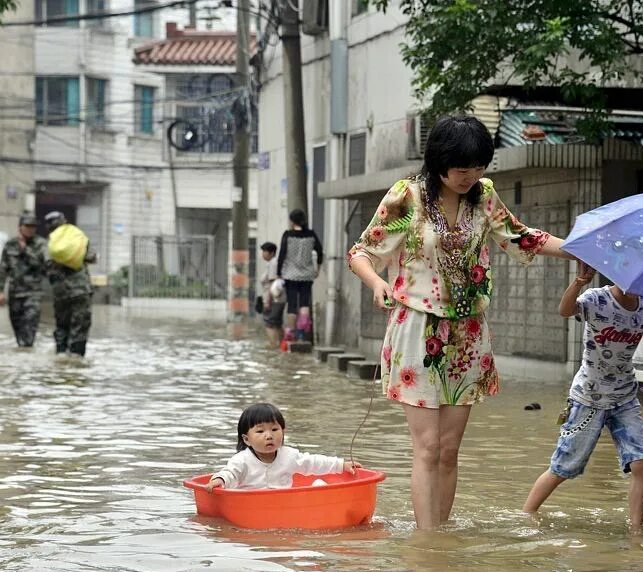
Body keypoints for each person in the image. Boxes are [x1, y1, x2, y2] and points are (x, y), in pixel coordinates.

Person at [347, 115, 576, 529]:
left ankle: (441, 538)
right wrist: (377, 282)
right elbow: (362, 251)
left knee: (450, 448)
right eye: (462, 169)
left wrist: (581, 250)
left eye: (479, 168)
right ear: (438, 164)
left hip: (468, 335)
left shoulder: (483, 197)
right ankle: (427, 541)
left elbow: (522, 237)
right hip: (417, 329)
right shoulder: (408, 196)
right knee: (428, 446)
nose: (471, 176)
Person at [522, 264, 643, 534]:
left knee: (641, 462)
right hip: (588, 397)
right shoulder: (595, 299)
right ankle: (527, 514)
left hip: (625, 397)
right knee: (564, 466)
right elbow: (565, 311)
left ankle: (636, 531)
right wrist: (579, 281)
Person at [205, 402, 359, 490]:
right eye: (260, 431)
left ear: (283, 432)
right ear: (246, 439)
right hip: (250, 506)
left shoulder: (289, 456)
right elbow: (230, 473)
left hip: (284, 504)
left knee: (319, 485)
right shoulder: (241, 460)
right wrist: (220, 480)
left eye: (274, 429)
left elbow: (313, 462)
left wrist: (341, 465)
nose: (269, 435)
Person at [45, 211, 95, 357]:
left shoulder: (48, 245)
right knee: (79, 326)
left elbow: (44, 267)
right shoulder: (77, 238)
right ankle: (75, 360)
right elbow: (92, 256)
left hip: (60, 293)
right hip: (80, 291)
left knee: (61, 326)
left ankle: (60, 355)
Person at [0, 214, 48, 347]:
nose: (31, 229)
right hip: (15, 293)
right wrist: (0, 291)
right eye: (28, 226)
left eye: (33, 227)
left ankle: (27, 357)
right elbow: (3, 269)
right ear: (20, 228)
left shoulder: (41, 244)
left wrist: (25, 250)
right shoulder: (10, 244)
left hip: (33, 294)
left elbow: (43, 266)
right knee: (18, 330)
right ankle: (22, 356)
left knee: (29, 329)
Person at [277, 209, 323, 341]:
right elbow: (320, 252)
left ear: (292, 220)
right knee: (304, 303)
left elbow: (282, 255)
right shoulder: (311, 234)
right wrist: (317, 269)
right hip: (307, 275)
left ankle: (290, 333)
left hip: (290, 275)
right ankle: (302, 333)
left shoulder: (288, 235)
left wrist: (279, 273)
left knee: (292, 304)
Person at [259, 242, 284, 348]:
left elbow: (272, 284)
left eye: (265, 251)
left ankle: (273, 346)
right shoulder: (272, 263)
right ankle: (281, 346)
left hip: (274, 299)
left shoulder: (273, 263)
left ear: (272, 252)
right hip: (276, 298)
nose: (263, 254)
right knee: (277, 323)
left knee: (270, 323)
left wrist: (267, 301)